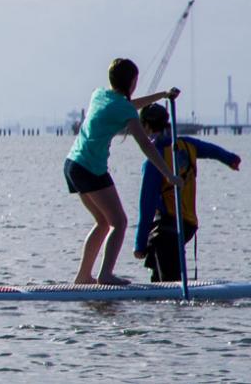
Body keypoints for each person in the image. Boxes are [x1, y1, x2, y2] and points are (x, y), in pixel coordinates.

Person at [65, 58, 181, 285]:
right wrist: (169, 174)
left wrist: (162, 95)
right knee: (119, 222)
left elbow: (129, 106)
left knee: (102, 222)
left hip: (73, 165)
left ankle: (83, 276)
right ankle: (105, 275)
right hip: (90, 168)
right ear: (132, 82)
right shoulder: (122, 107)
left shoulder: (99, 94)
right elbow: (146, 144)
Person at [133, 103, 240, 282]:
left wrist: (139, 244)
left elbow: (147, 204)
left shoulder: (154, 160)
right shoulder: (187, 145)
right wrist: (231, 159)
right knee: (160, 278)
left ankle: (177, 304)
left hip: (167, 228)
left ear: (145, 126)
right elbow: (212, 150)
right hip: (188, 225)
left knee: (169, 285)